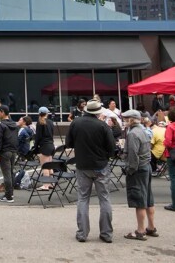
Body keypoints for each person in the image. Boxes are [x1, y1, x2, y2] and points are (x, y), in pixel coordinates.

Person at [65, 99, 115, 243]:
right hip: (100, 165)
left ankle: (82, 233)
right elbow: (111, 148)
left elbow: (68, 143)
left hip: (82, 165)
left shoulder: (75, 123)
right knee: (104, 198)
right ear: (98, 112)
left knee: (83, 198)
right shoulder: (103, 126)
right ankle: (106, 233)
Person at [123, 110, 156, 241]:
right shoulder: (143, 130)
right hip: (146, 166)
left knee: (139, 199)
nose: (124, 121)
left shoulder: (133, 134)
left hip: (138, 168)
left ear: (131, 120)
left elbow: (133, 155)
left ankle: (140, 230)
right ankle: (151, 227)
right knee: (148, 197)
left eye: (126, 119)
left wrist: (130, 170)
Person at [0, 106, 19, 203]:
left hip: (4, 151)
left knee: (7, 174)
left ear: (2, 112)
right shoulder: (14, 124)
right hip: (13, 151)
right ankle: (10, 193)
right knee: (11, 172)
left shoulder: (1, 124)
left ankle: (9, 196)